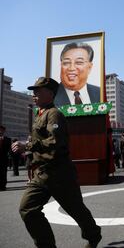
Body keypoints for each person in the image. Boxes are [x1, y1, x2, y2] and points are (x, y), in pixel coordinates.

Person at [11, 77, 101, 248]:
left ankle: (93, 235)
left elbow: (55, 142)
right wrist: (31, 163)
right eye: (33, 91)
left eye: (38, 91)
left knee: (76, 210)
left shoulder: (54, 114)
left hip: (60, 175)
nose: (34, 94)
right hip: (42, 174)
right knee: (27, 209)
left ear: (50, 94)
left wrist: (27, 145)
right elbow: (40, 147)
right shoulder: (41, 115)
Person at [54, 42, 100, 106]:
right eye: (66, 63)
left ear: (89, 67)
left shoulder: (99, 93)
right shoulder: (51, 95)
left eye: (79, 62)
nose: (71, 68)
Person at [0, 125, 11, 191]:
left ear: (4, 131)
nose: (0, 131)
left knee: (4, 172)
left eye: (2, 130)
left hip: (4, 159)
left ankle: (3, 186)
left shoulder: (7, 139)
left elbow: (9, 149)